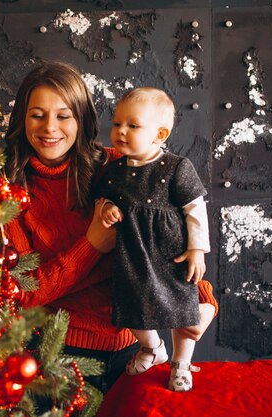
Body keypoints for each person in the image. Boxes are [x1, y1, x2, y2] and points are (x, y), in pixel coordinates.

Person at [3, 61, 218, 394]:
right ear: (22, 119)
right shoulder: (7, 191)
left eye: (63, 116)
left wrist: (201, 299)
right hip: (58, 354)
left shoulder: (121, 165)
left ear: (81, 119)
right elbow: (24, 292)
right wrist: (92, 244)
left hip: (138, 348)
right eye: (37, 115)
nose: (49, 128)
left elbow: (165, 229)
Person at [97, 87, 209, 392]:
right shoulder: (114, 170)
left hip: (171, 253)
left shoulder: (176, 167)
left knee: (182, 311)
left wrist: (197, 249)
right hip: (132, 252)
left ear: (159, 133)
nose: (120, 131)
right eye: (117, 123)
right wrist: (107, 209)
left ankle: (181, 365)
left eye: (132, 126)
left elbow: (195, 208)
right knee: (131, 304)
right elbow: (103, 200)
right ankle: (152, 348)